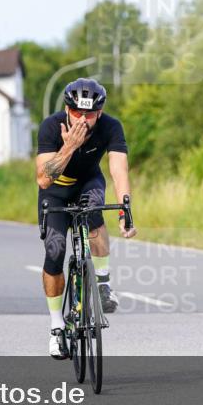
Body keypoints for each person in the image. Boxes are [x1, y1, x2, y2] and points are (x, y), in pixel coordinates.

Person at [36, 78, 136, 360]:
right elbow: (43, 179)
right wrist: (69, 146)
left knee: (94, 213)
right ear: (67, 110)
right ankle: (57, 327)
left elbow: (119, 168)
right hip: (55, 191)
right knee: (55, 252)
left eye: (89, 115)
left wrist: (125, 209)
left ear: (100, 113)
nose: (82, 119)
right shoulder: (50, 127)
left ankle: (102, 282)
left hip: (88, 182)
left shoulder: (110, 126)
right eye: (77, 113)